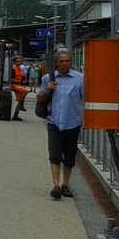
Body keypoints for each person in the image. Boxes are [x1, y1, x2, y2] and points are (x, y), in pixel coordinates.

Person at [36, 48, 84, 199]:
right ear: (56, 63)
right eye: (61, 61)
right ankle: (56, 185)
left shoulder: (80, 79)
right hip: (54, 121)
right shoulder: (47, 78)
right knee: (54, 154)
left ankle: (65, 184)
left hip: (73, 122)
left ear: (71, 62)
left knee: (69, 156)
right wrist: (49, 90)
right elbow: (40, 98)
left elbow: (85, 99)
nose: (64, 64)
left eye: (67, 61)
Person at [11, 56, 28, 120]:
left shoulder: (20, 69)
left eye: (20, 61)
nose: (19, 62)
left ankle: (16, 114)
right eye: (18, 61)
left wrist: (23, 81)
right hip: (14, 85)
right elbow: (11, 79)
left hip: (19, 85)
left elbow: (22, 77)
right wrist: (19, 81)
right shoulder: (13, 69)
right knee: (25, 91)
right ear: (14, 62)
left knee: (19, 100)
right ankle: (21, 104)